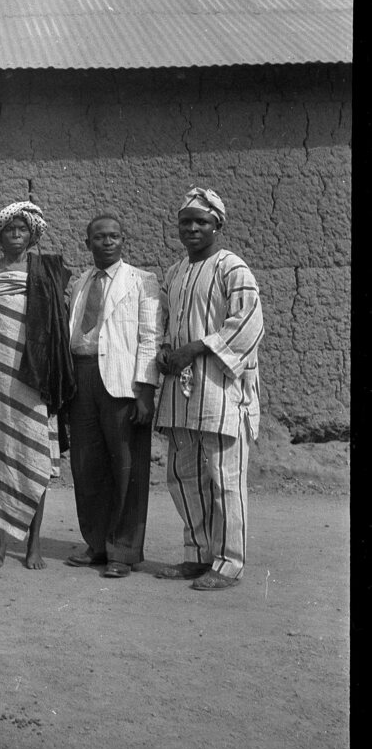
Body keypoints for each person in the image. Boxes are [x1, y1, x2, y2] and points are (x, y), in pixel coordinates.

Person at [154, 188, 264, 591]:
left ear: (217, 224)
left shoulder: (232, 268)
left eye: (201, 221)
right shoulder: (175, 272)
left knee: (224, 479)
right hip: (182, 394)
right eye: (186, 221)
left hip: (221, 390)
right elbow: (165, 320)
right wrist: (167, 348)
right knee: (184, 477)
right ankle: (197, 555)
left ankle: (229, 562)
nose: (193, 228)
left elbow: (249, 325)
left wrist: (197, 347)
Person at [64, 213, 163, 579]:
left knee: (126, 466)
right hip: (83, 376)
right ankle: (97, 543)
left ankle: (123, 550)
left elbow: (150, 337)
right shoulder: (79, 283)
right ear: (87, 242)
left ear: (124, 241)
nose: (108, 242)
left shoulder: (142, 281)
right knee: (87, 466)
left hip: (123, 383)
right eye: (100, 237)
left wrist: (145, 391)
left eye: (115, 236)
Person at [0, 201, 75, 570]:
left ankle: (33, 543)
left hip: (34, 373)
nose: (16, 235)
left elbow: (57, 322)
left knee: (32, 453)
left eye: (22, 230)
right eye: (9, 230)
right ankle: (0, 542)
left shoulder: (48, 271)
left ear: (33, 235)